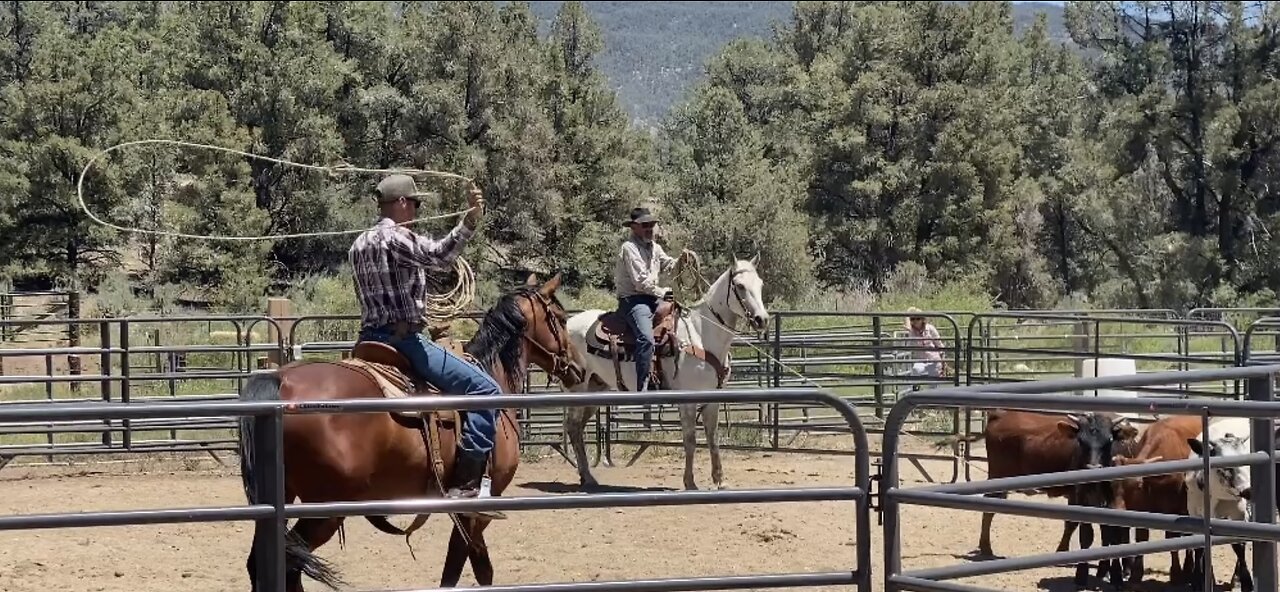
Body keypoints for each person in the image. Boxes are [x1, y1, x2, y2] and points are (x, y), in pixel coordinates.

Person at [348, 173, 502, 509]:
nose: (417, 211)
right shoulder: (396, 238)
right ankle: (467, 483)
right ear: (402, 202)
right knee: (486, 390)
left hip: (367, 339)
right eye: (415, 203)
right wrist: (469, 220)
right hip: (404, 341)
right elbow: (440, 256)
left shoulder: (357, 244)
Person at [613, 206, 692, 391]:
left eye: (651, 224)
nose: (649, 228)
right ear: (634, 227)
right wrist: (661, 292)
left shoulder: (655, 247)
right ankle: (643, 386)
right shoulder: (629, 248)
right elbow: (640, 282)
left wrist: (681, 261)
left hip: (652, 299)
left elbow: (667, 264)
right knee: (646, 338)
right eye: (645, 225)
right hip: (633, 301)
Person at [904, 307, 947, 382]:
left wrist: (943, 363)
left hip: (934, 360)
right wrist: (908, 313)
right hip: (921, 361)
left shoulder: (930, 329)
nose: (915, 321)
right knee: (916, 369)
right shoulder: (911, 332)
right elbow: (907, 321)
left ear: (922, 319)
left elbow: (939, 345)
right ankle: (916, 389)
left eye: (918, 318)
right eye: (912, 319)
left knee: (933, 384)